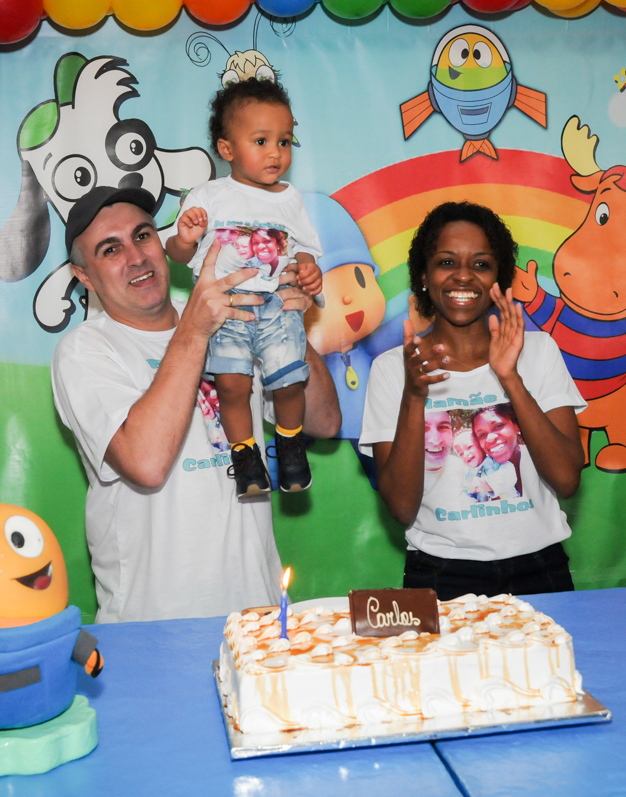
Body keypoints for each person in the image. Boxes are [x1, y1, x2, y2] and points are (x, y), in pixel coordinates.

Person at [51, 186, 340, 623]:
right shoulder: (85, 350)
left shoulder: (230, 312)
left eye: (143, 235)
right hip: (154, 628)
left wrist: (286, 322)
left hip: (256, 622)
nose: (137, 257)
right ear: (84, 276)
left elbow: (324, 420)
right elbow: (146, 463)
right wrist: (196, 329)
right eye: (111, 249)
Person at [359, 202, 585, 600]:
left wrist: (510, 378)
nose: (463, 275)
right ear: (424, 276)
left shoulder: (539, 350)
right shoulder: (393, 369)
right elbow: (401, 508)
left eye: (481, 264)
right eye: (446, 262)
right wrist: (414, 396)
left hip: (540, 567)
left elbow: (567, 479)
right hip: (441, 573)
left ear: (499, 278)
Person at [166, 78, 324, 498]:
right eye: (261, 141)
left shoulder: (289, 199)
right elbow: (177, 254)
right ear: (227, 149)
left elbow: (305, 250)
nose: (276, 152)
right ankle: (245, 457)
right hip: (227, 309)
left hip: (277, 308)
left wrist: (309, 269)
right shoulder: (208, 195)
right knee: (232, 387)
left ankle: (289, 444)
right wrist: (185, 237)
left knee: (289, 383)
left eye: (284, 141)